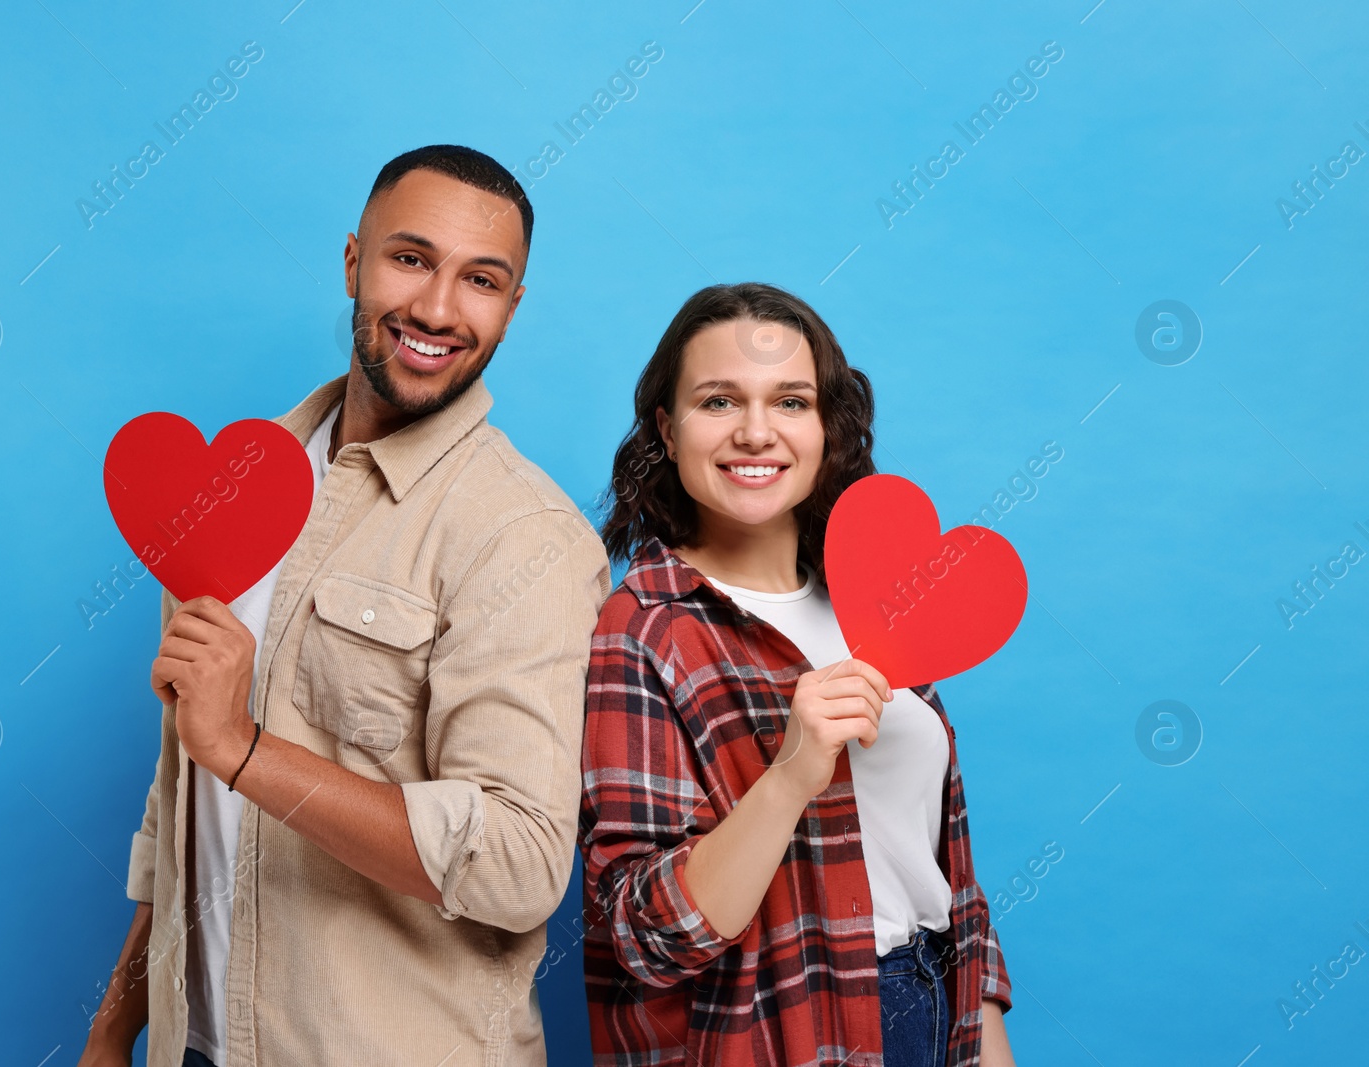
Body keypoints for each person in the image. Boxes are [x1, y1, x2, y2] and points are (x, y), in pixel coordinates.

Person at [79, 144, 610, 1067]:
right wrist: (114, 1026)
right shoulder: (234, 484)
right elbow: (184, 796)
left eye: (481, 280)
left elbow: (522, 861)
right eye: (411, 259)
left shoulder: (524, 536)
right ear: (354, 260)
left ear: (513, 307)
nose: (439, 309)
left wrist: (244, 749)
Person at [578, 282, 1016, 1066]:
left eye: (790, 401)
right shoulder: (644, 623)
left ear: (826, 427)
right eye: (719, 402)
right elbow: (644, 937)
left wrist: (987, 1042)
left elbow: (947, 874)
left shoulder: (873, 597)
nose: (756, 432)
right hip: (777, 1033)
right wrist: (788, 777)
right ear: (667, 430)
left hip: (928, 1012)